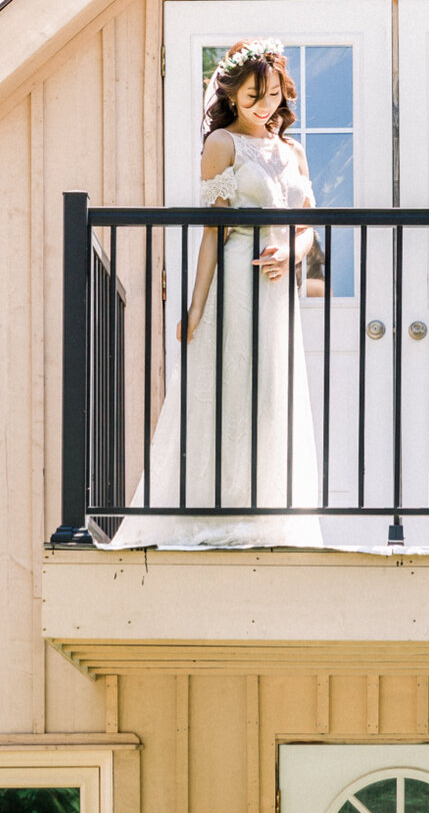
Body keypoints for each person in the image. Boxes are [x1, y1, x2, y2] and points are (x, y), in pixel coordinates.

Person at [107, 39, 324, 548]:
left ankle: (270, 514)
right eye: (254, 96)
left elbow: (309, 224)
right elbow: (212, 231)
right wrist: (197, 307)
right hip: (235, 278)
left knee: (272, 394)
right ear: (232, 94)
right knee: (231, 389)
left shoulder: (293, 150)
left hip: (278, 288)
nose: (265, 106)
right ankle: (218, 514)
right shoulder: (222, 144)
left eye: (272, 95)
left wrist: (293, 252)